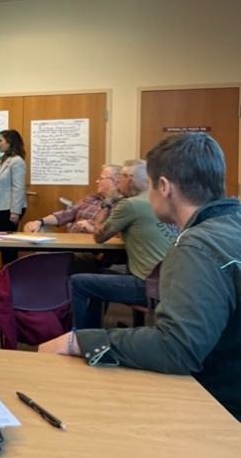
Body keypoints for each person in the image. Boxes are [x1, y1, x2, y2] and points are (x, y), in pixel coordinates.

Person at [39, 133, 241, 421]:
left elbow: (177, 349)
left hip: (222, 412)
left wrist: (81, 341)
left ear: (163, 186)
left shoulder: (196, 247)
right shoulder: (231, 225)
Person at [69, 159, 175, 329]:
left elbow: (98, 236)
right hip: (173, 283)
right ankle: (94, 330)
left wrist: (107, 203)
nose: (118, 182)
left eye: (121, 177)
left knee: (78, 282)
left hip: (147, 287)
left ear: (128, 179)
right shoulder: (162, 200)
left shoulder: (130, 205)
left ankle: (79, 339)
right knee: (97, 277)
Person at [23, 164, 124, 273]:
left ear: (114, 181)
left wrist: (92, 229)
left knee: (45, 259)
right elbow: (66, 214)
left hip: (92, 252)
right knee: (35, 231)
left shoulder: (122, 205)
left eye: (101, 178)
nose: (97, 181)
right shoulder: (90, 198)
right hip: (68, 245)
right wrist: (40, 221)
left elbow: (118, 235)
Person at [0, 129, 26, 264]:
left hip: (9, 210)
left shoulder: (17, 161)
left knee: (8, 246)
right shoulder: (3, 160)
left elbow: (18, 188)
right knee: (3, 244)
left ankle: (10, 276)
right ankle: (5, 273)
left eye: (1, 141)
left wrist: (15, 212)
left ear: (10, 143)